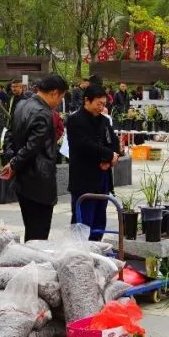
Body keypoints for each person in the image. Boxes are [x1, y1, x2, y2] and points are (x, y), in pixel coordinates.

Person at [0, 75, 69, 242]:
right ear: (54, 93)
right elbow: (32, 147)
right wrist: (14, 163)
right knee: (38, 235)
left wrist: (11, 159)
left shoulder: (22, 105)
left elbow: (9, 135)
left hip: (23, 182)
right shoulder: (44, 113)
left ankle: (29, 264)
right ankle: (33, 266)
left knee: (31, 230)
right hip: (39, 181)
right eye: (61, 97)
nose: (59, 102)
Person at [66, 84, 120, 240]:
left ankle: (97, 254)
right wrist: (109, 155)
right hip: (84, 179)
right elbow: (84, 145)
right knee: (82, 224)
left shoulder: (104, 121)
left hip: (102, 179)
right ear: (87, 101)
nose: (101, 107)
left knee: (99, 222)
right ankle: (79, 258)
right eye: (99, 104)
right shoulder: (75, 120)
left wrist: (110, 161)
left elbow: (114, 143)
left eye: (104, 104)